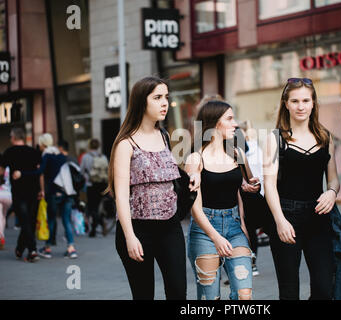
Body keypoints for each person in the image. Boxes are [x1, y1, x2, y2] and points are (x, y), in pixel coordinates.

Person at [108, 76, 199, 300]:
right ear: (142, 102)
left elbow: (172, 173)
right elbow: (120, 195)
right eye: (157, 97)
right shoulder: (126, 144)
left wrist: (194, 172)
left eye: (166, 97)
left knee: (178, 292)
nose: (165, 103)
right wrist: (130, 237)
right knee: (143, 294)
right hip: (138, 230)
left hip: (170, 228)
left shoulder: (165, 136)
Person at [263, 78, 340, 300]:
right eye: (295, 101)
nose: (301, 106)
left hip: (319, 217)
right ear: (286, 103)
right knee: (289, 291)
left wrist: (332, 193)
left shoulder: (325, 137)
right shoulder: (275, 139)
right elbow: (269, 184)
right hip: (286, 215)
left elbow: (334, 180)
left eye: (306, 100)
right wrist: (280, 221)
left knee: (324, 287)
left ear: (313, 103)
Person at [185, 100, 258, 300]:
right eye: (229, 119)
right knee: (210, 298)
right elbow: (195, 210)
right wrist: (216, 238)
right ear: (214, 123)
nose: (235, 124)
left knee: (244, 295)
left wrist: (243, 222)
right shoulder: (195, 159)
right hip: (204, 232)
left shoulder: (237, 153)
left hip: (234, 228)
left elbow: (243, 189)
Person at [13, 133, 79, 259]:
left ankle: (47, 248)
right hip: (68, 193)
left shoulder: (47, 155)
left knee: (51, 220)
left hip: (54, 193)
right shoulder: (61, 155)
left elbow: (39, 172)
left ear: (42, 144)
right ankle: (71, 248)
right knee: (66, 220)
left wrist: (22, 173)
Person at [0, 127, 42, 262]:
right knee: (28, 221)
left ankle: (32, 250)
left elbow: (1, 171)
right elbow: (39, 172)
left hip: (19, 192)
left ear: (13, 138)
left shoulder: (9, 152)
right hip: (34, 191)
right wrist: (42, 190)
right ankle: (21, 248)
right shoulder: (34, 152)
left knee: (25, 222)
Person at [239, 120, 265, 276]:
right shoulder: (254, 148)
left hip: (249, 192)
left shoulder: (249, 148)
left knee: (248, 228)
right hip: (249, 191)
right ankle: (250, 261)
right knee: (249, 229)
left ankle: (250, 261)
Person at [80, 138, 109, 237]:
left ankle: (95, 227)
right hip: (102, 184)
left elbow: (81, 171)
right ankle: (101, 222)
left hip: (91, 185)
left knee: (92, 207)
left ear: (89, 146)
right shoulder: (103, 157)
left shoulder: (86, 157)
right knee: (97, 206)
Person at [0, 160, 12, 250]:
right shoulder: (10, 168)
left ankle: (1, 236)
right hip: (8, 195)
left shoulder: (2, 169)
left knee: (0, 216)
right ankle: (1, 237)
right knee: (3, 216)